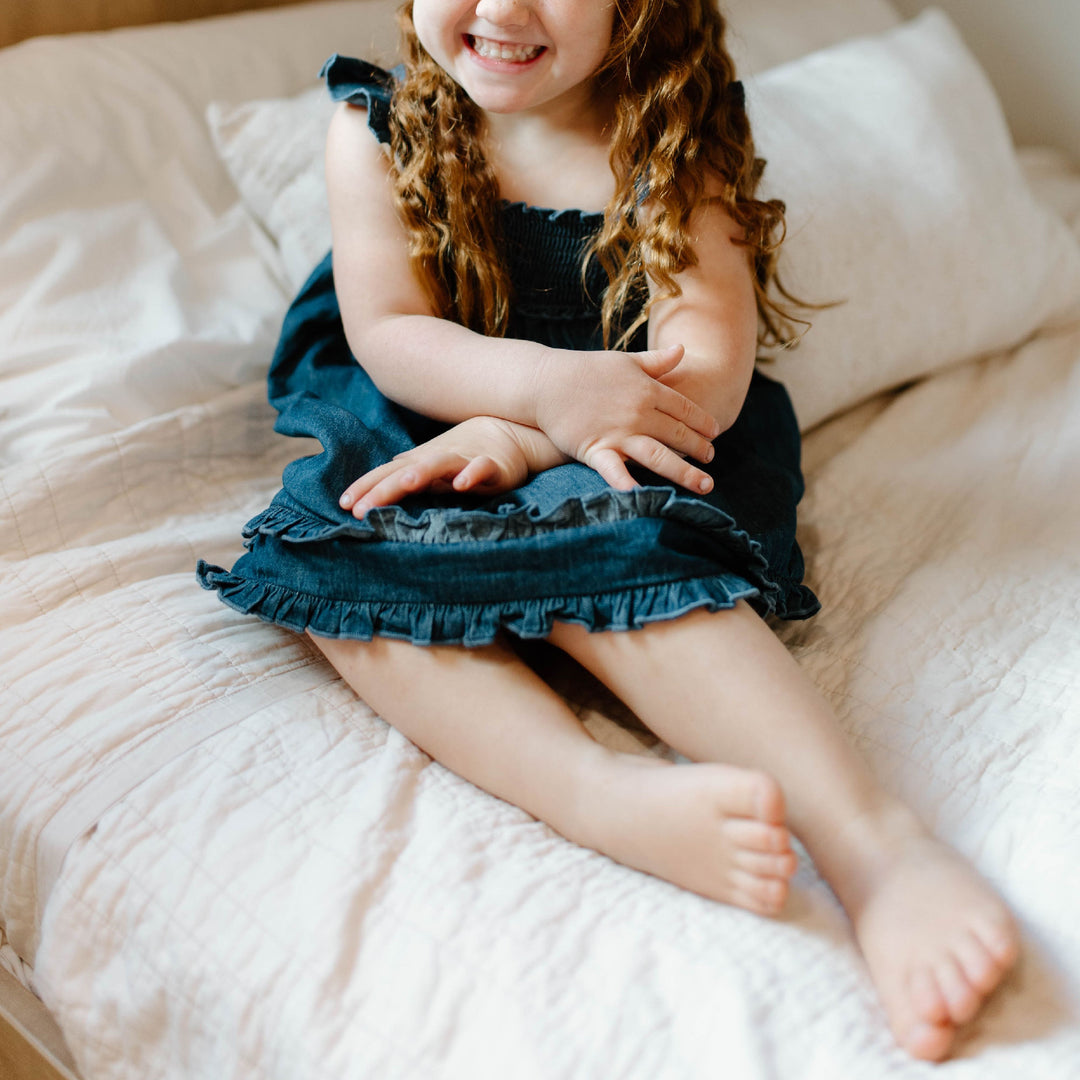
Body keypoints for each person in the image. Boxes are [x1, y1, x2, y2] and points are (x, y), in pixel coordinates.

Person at [198, 0, 1018, 1061]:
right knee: (340, 569)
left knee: (629, 551)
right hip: (431, 415)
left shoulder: (669, 139)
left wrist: (540, 437)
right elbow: (392, 332)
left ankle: (878, 849)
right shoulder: (377, 128)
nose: (497, 9)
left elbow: (708, 365)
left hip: (633, 434)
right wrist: (520, 399)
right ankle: (596, 794)